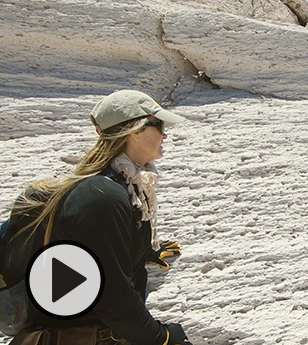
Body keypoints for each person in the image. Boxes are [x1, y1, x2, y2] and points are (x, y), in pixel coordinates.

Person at [3, 90, 191, 345]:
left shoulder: (120, 187)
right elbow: (112, 296)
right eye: (158, 125)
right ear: (134, 131)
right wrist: (163, 338)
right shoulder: (101, 197)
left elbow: (95, 255)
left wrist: (142, 249)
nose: (165, 134)